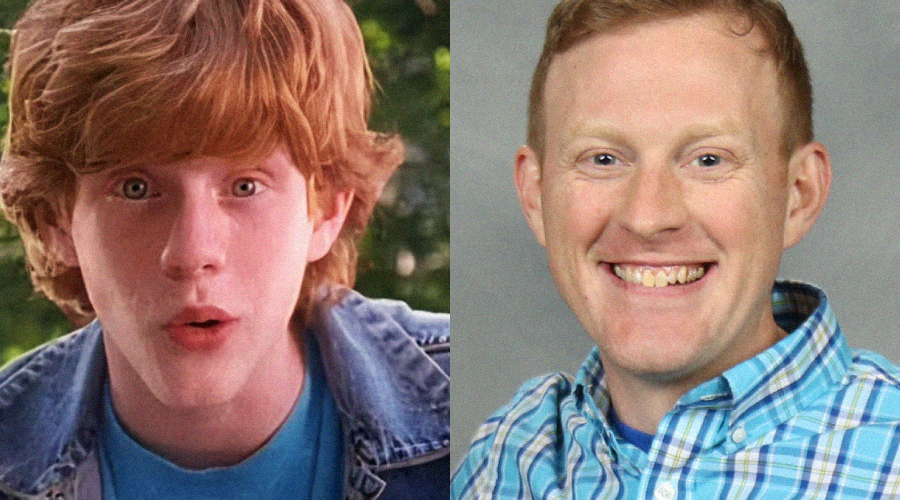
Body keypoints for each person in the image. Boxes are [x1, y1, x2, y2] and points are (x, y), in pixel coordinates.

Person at [0, 0, 449, 498]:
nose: (192, 252)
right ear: (56, 222)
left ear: (327, 209)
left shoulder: (470, 418)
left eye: (245, 187)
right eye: (135, 188)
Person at [452, 0, 900, 498]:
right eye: (603, 158)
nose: (648, 217)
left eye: (708, 159)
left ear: (798, 193)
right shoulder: (506, 455)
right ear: (535, 196)